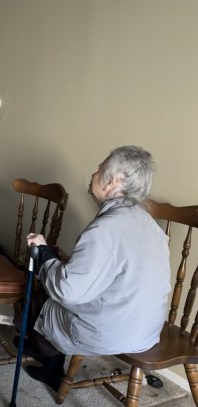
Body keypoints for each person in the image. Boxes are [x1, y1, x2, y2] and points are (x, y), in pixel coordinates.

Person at [17, 145, 171, 391]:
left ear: (113, 181)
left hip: (113, 332)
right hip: (147, 331)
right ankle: (41, 346)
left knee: (41, 298)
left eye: (99, 169)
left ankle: (49, 363)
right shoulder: (150, 225)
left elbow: (66, 291)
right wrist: (61, 260)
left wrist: (45, 254)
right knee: (54, 287)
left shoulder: (105, 229)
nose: (93, 174)